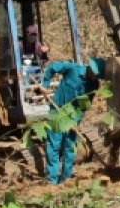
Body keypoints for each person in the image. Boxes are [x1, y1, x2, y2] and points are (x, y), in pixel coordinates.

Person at [40, 57, 106, 185]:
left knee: (69, 147)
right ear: (90, 69)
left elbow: (83, 106)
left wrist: (74, 121)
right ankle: (52, 181)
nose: (95, 78)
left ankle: (65, 179)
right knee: (53, 146)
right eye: (95, 75)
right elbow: (52, 67)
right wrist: (45, 85)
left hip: (72, 118)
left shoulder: (93, 85)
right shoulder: (72, 69)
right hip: (56, 114)